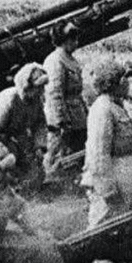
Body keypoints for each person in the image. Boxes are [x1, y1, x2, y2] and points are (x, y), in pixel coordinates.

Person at [81, 60, 132, 229]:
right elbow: (98, 154)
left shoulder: (114, 105)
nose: (127, 83)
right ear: (114, 82)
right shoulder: (103, 108)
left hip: (126, 179)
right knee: (103, 227)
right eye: (124, 79)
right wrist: (108, 191)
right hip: (114, 185)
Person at [0, 63, 48, 183]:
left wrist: (39, 146)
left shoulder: (36, 101)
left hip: (12, 137)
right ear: (27, 86)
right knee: (5, 165)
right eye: (38, 87)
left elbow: (39, 124)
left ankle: (28, 186)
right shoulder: (9, 99)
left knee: (32, 165)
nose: (41, 91)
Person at [42, 22, 87, 177]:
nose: (76, 42)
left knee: (77, 155)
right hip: (64, 121)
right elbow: (54, 94)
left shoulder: (70, 59)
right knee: (60, 157)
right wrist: (61, 121)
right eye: (72, 38)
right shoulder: (55, 61)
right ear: (63, 39)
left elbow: (77, 93)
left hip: (77, 118)